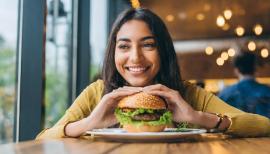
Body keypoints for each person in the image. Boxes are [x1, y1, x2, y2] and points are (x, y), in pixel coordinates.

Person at [36, 8, 270, 139]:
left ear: (163, 51)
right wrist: (89, 123)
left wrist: (199, 118)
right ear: (113, 52)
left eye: (148, 45)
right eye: (124, 46)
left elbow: (263, 125)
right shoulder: (98, 93)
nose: (135, 58)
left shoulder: (188, 93)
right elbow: (43, 139)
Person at [219, 51, 270, 118]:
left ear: (236, 71)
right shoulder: (267, 91)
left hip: (234, 128)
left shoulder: (225, 94)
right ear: (255, 69)